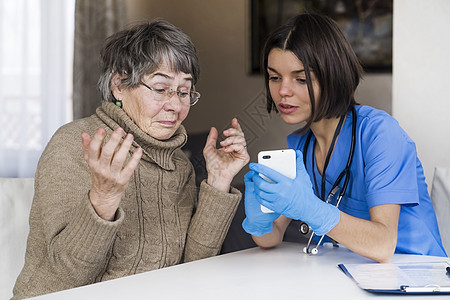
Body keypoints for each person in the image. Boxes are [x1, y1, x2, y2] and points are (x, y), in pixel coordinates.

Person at [13, 20, 249, 299]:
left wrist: (219, 181)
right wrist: (103, 198)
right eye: (161, 89)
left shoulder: (178, 163)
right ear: (119, 85)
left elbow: (193, 266)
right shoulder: (74, 145)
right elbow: (65, 277)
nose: (175, 105)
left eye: (184, 91)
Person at [242, 13, 446, 263]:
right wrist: (258, 218)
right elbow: (271, 237)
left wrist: (310, 208)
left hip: (415, 275)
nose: (283, 91)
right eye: (274, 77)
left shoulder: (380, 134)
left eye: (301, 79)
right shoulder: (300, 146)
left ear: (333, 77)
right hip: (348, 274)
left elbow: (383, 245)